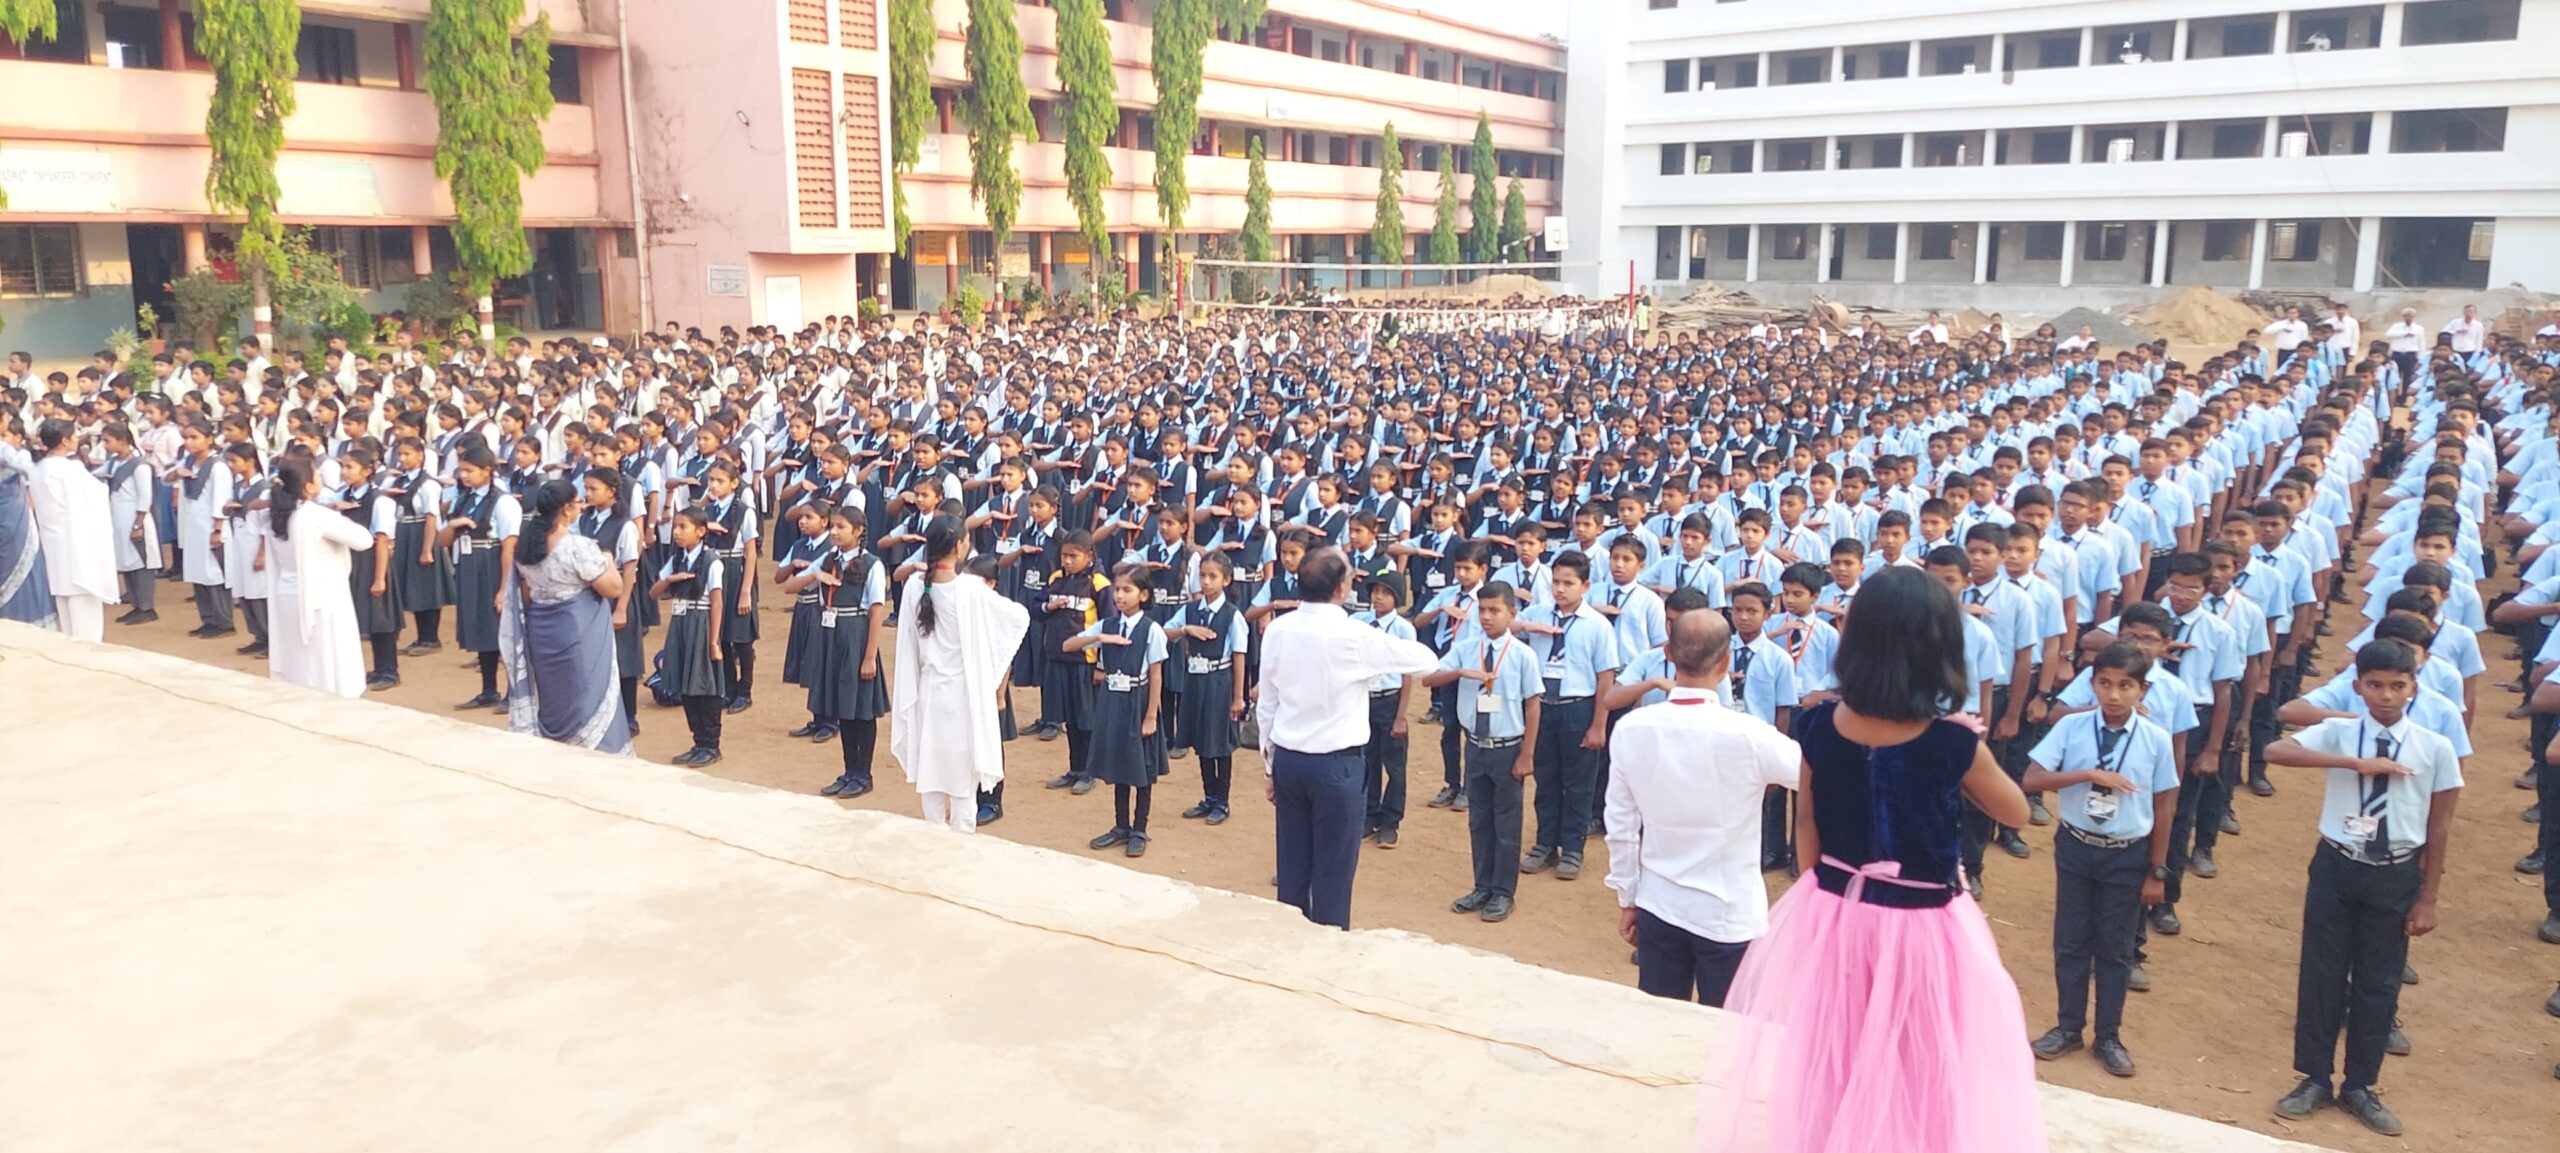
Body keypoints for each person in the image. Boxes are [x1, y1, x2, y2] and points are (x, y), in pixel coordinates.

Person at [1699, 566, 2043, 1153]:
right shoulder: (1952, 741)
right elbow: (2015, 811)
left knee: (1837, 1043)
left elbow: (1807, 820)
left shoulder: (1817, 724)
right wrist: (1968, 753)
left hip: (1836, 906)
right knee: (1920, 1049)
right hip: (1923, 922)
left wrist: (1821, 892)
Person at [2265, 639, 2462, 1138]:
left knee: (2379, 981)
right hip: (2337, 862)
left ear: (2414, 688)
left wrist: (2428, 897)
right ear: (2357, 687)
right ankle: (2314, 1078)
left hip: (2395, 871)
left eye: (2397, 685)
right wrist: (2354, 763)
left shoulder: (2435, 747)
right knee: (2322, 971)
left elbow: (2439, 826)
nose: (2386, 696)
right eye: (2375, 685)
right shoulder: (2340, 731)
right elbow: (2275, 750)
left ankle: (2360, 1085)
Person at [1605, 607, 1802, 1006]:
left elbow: (1620, 826)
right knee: (1727, 1026)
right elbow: (1816, 778)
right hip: (1728, 911)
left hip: (1659, 902)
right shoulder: (1751, 735)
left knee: (1661, 1022)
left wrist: (1628, 897)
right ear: (1726, 664)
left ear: (1668, 654)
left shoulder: (1631, 728)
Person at [1255, 544, 1437, 929]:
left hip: (1289, 760)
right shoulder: (1355, 635)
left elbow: (1267, 705)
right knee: (1333, 874)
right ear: (1341, 588)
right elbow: (1426, 661)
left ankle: (1288, 944)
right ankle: (1327, 946)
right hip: (1336, 767)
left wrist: (1270, 767)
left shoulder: (1278, 630)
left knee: (1292, 866)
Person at [2023, 642, 2179, 1078]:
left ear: (2142, 690)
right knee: (2070, 941)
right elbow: (2032, 778)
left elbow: (2165, 805)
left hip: (2127, 853)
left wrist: (2157, 870)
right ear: (2092, 684)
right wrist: (2088, 774)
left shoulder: (2155, 739)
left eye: (2125, 686)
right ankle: (2068, 1027)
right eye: (2105, 684)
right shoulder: (2072, 727)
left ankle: (2108, 1036)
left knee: (2115, 948)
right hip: (2076, 845)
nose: (2113, 695)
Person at [890, 513, 1031, 833]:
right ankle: (962, 839)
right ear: (958, 546)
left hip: (928, 692)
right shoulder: (970, 589)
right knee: (963, 780)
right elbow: (1017, 618)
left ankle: (933, 833)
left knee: (931, 772)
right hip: (962, 696)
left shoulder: (914, 585)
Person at [1422, 580, 1542, 922]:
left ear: (1512, 613)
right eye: (1482, 610)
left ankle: (1503, 892)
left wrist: (1527, 754)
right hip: (1475, 745)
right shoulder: (1466, 648)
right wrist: (1460, 672)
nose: (1487, 617)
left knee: (1506, 823)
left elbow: (1533, 705)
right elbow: (1429, 678)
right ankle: (1482, 886)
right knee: (1479, 820)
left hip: (1508, 748)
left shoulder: (1522, 655)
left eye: (1495, 610)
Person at [499, 479, 633, 754]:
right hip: (578, 629)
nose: (582, 506)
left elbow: (525, 594)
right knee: (588, 690)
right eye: (578, 502)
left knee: (554, 695)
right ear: (567, 509)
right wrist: (607, 559)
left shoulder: (526, 545)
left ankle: (556, 751)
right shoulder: (577, 547)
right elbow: (613, 588)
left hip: (541, 628)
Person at [1065, 564, 1170, 855]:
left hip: (1138, 701)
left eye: (1127, 590)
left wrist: (1151, 716)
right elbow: (1069, 645)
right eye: (1117, 590)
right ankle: (1121, 825)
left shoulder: (1151, 630)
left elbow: (1156, 675)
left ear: (1143, 595)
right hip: (1113, 702)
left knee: (1141, 767)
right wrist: (1099, 638)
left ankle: (1139, 829)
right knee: (1119, 763)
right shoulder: (1108, 625)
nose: (1120, 596)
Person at [264, 454, 378, 699]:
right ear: (308, 486)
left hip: (287, 592)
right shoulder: (315, 515)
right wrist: (337, 515)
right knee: (328, 656)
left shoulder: (276, 514)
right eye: (317, 475)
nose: (321, 478)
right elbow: (364, 540)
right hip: (322, 594)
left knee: (299, 656)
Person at [28, 419, 118, 641]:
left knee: (64, 598)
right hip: (77, 541)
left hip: (53, 540)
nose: (77, 439)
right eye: (74, 435)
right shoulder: (70, 470)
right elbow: (93, 497)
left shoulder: (38, 469)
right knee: (83, 600)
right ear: (64, 441)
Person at [0, 414, 59, 631]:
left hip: (10, 511)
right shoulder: (5, 450)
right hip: (12, 514)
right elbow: (29, 470)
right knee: (21, 561)